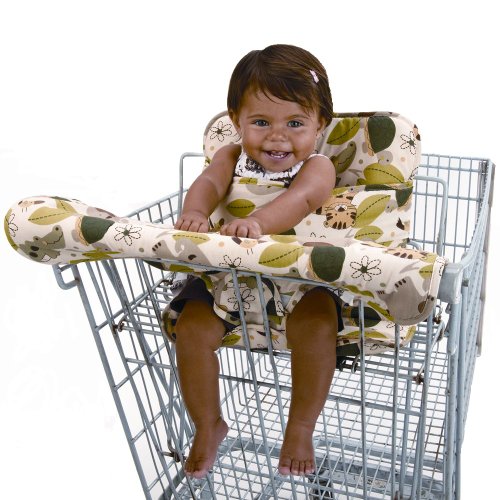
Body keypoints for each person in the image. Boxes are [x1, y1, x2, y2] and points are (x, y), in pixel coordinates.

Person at [167, 44, 341, 478]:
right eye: (261, 122)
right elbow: (209, 183)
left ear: (320, 124)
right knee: (190, 329)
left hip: (296, 277)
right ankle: (208, 424)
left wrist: (259, 222)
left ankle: (300, 427)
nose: (277, 137)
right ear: (236, 121)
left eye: (295, 123)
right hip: (228, 273)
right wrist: (196, 212)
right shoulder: (231, 156)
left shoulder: (318, 167)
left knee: (319, 326)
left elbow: (302, 200)